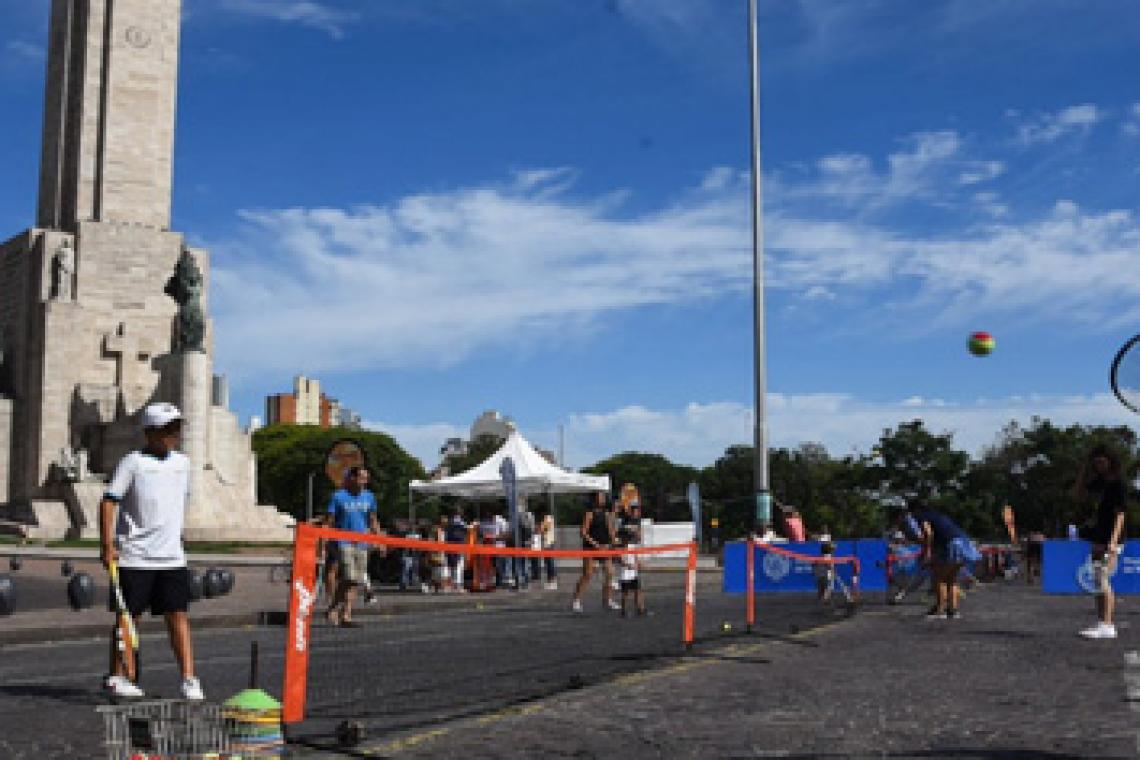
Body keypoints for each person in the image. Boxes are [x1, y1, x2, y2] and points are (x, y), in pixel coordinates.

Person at [98, 403, 202, 700]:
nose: (175, 435)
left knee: (178, 616)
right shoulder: (132, 462)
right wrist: (107, 545)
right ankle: (119, 676)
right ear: (151, 432)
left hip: (171, 557)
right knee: (129, 618)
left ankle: (189, 678)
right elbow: (109, 501)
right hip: (135, 555)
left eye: (177, 428)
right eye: (169, 429)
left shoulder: (183, 463)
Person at [1073, 445, 1128, 639]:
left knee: (1103, 577)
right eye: (1096, 462)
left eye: (1102, 462)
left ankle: (1108, 624)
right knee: (1097, 579)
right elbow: (1078, 496)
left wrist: (1113, 543)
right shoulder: (1099, 482)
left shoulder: (1118, 483)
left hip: (1112, 539)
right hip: (1098, 536)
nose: (1099, 465)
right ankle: (1101, 622)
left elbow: (1120, 514)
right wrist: (1083, 470)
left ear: (1110, 461)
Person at [897, 503, 981, 620]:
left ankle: (940, 610)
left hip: (950, 545)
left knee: (939, 578)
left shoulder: (920, 516)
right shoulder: (938, 515)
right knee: (951, 579)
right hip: (963, 543)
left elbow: (928, 533)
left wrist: (927, 552)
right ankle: (953, 610)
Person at [322, 466, 379, 625]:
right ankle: (334, 608)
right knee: (349, 576)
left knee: (355, 581)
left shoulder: (369, 497)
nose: (365, 481)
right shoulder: (339, 496)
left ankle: (345, 614)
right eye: (362, 478)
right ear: (352, 478)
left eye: (366, 478)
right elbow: (329, 520)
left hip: (362, 542)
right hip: (343, 542)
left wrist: (378, 539)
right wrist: (325, 539)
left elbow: (373, 519)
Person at [572, 492, 620, 613]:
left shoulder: (607, 514)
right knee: (588, 574)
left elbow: (611, 531)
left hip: (605, 548)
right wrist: (596, 545)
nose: (602, 498)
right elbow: (583, 532)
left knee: (610, 573)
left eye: (603, 497)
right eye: (600, 496)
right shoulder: (589, 514)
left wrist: (615, 542)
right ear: (595, 499)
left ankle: (607, 600)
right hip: (591, 548)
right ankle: (576, 601)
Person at [616, 530, 647, 617]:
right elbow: (620, 560)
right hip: (624, 574)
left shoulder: (632, 546)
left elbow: (636, 556)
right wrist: (628, 565)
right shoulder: (619, 548)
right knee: (625, 593)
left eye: (628, 538)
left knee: (638, 591)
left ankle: (641, 609)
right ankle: (624, 611)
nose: (627, 540)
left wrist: (639, 563)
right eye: (625, 538)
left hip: (633, 573)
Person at [445, 509, 469, 593]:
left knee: (451, 566)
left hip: (449, 546)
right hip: (459, 545)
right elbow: (467, 531)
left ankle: (450, 586)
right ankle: (458, 586)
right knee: (459, 566)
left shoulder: (449, 523)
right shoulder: (462, 523)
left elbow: (446, 534)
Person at [539, 508, 558, 590]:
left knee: (550, 563)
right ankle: (550, 581)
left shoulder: (548, 518)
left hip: (548, 543)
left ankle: (552, 581)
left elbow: (542, 529)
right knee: (548, 562)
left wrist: (541, 525)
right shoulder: (550, 518)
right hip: (548, 543)